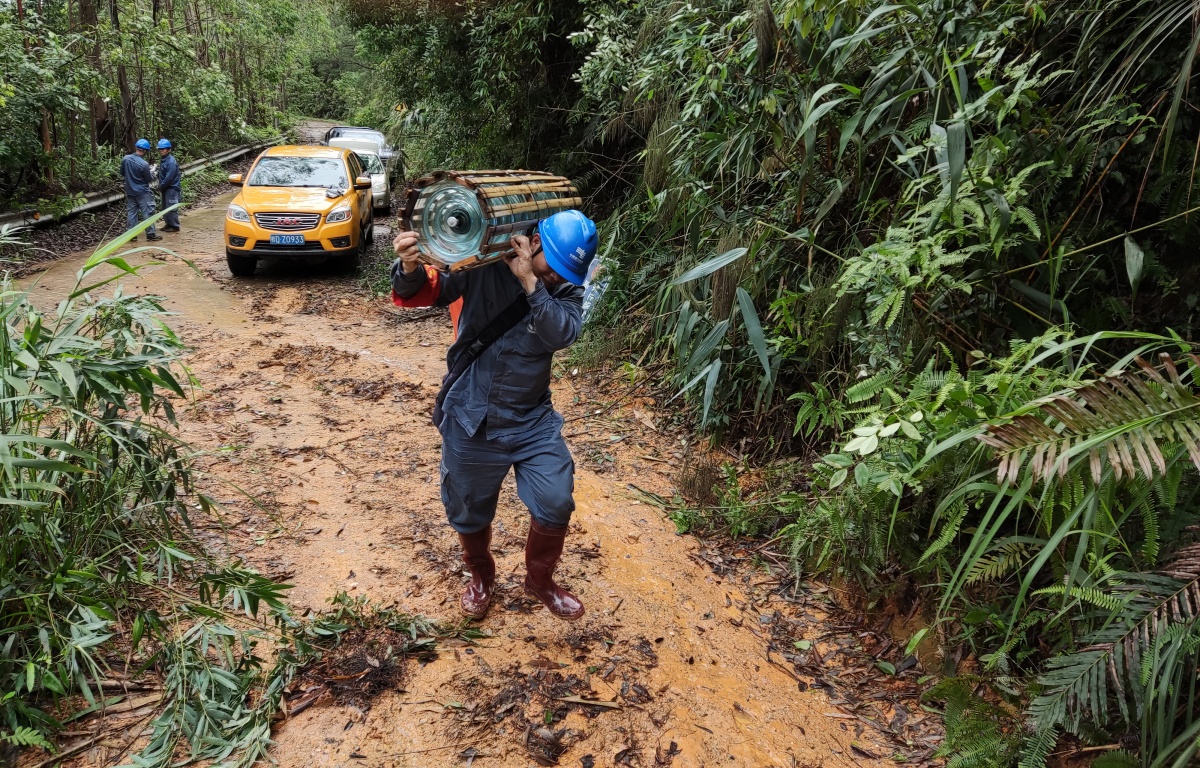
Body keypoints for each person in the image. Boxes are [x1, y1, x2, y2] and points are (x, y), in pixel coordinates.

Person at [390, 210, 598, 621]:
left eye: (565, 272)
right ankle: (482, 577)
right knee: (467, 507)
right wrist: (410, 265)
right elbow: (428, 291)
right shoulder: (483, 264)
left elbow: (563, 334)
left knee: (556, 500)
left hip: (531, 418)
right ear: (533, 241)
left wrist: (533, 282)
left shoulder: (564, 288)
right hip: (472, 414)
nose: (558, 276)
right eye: (552, 267)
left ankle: (540, 581)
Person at [120, 139, 161, 242]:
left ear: (136, 147)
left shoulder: (126, 159)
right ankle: (150, 234)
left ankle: (131, 235)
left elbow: (122, 173)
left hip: (130, 191)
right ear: (145, 151)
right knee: (148, 212)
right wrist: (153, 172)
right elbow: (149, 179)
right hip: (143, 192)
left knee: (131, 213)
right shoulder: (144, 164)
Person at [156, 139, 182, 232]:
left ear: (168, 150)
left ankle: (175, 226)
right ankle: (168, 224)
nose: (161, 151)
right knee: (165, 207)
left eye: (163, 149)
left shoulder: (171, 161)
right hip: (165, 188)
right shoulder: (164, 160)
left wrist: (161, 186)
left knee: (171, 207)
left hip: (172, 188)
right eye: (160, 149)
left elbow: (169, 178)